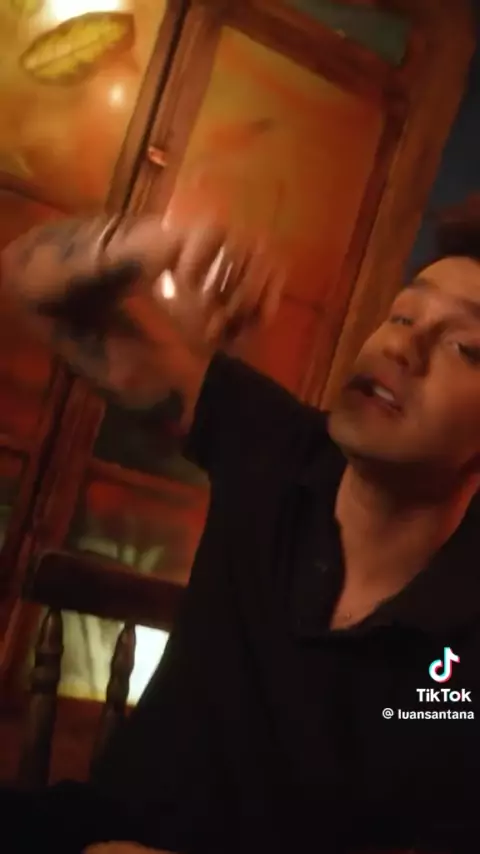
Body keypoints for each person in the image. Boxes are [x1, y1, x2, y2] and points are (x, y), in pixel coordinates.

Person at [2, 199, 480, 854]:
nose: (400, 345)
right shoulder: (279, 448)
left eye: (464, 347)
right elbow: (27, 281)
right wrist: (158, 244)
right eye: (402, 314)